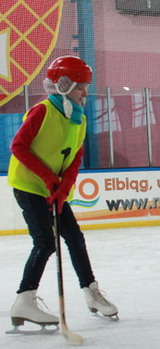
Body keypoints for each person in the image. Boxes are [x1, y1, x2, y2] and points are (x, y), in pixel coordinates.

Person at [7, 56, 118, 333]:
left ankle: (91, 292)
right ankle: (24, 300)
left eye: (86, 86)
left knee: (75, 238)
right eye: (81, 86)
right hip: (29, 186)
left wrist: (63, 188)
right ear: (64, 85)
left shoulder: (78, 117)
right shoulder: (42, 111)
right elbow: (18, 147)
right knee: (45, 242)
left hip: (54, 188)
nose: (85, 92)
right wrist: (48, 178)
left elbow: (76, 156)